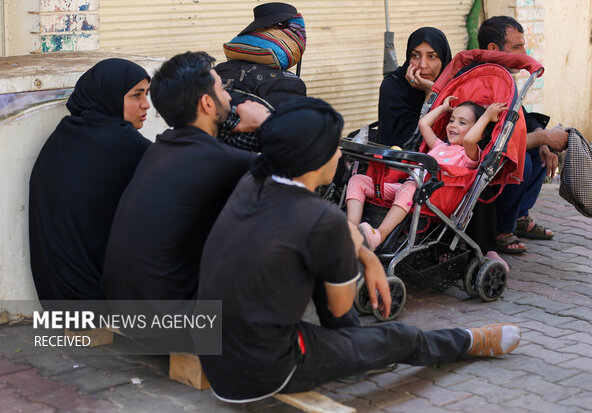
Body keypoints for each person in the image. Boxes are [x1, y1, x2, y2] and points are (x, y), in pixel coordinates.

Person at [194, 97, 522, 403]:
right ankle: (467, 340)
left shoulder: (253, 182)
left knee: (329, 268)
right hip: (263, 372)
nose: (339, 155)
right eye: (334, 147)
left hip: (216, 351)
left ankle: (358, 353)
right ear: (315, 156)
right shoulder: (321, 219)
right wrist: (348, 258)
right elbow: (338, 307)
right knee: (400, 337)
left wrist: (368, 257)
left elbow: (332, 244)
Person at [101, 52, 270, 311]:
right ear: (207, 104)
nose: (229, 98)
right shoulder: (224, 161)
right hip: (171, 323)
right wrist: (266, 122)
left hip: (125, 310)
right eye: (222, 90)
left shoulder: (161, 147)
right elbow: (306, 159)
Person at [29, 58, 152, 302]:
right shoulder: (127, 146)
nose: (146, 105)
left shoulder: (64, 134)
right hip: (97, 296)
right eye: (136, 96)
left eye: (146, 94)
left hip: (55, 294)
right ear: (110, 96)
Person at [348, 97, 507, 255]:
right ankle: (351, 231)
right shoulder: (439, 146)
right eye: (451, 120)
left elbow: (469, 139)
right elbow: (423, 124)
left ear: (479, 133)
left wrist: (487, 116)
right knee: (358, 180)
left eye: (462, 122)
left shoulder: (469, 153)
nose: (453, 125)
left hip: (433, 198)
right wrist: (444, 108)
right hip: (409, 190)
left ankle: (379, 235)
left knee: (410, 187)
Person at [478, 16, 569, 253]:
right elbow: (497, 141)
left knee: (541, 154)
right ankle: (500, 229)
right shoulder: (484, 80)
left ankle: (518, 217)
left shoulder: (506, 77)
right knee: (522, 162)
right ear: (493, 49)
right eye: (517, 47)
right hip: (481, 158)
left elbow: (520, 115)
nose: (524, 52)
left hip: (499, 151)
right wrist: (545, 137)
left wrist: (540, 134)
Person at [215, 2, 306, 151]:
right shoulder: (287, 82)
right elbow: (292, 140)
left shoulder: (220, 70)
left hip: (216, 154)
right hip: (257, 167)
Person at [377, 27, 452, 147]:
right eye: (416, 56)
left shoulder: (454, 86)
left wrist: (440, 92)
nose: (422, 65)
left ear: (443, 59)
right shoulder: (393, 86)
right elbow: (407, 142)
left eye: (431, 56)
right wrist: (431, 95)